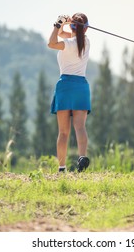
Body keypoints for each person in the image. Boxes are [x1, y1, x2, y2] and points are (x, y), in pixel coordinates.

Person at [47, 13, 91, 173]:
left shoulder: (67, 44)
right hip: (81, 87)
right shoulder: (86, 42)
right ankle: (82, 156)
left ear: (73, 26)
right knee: (80, 127)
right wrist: (67, 25)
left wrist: (58, 23)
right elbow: (66, 35)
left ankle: (61, 168)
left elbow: (51, 42)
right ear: (86, 29)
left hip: (65, 86)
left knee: (64, 132)